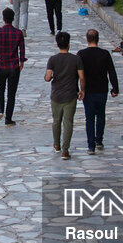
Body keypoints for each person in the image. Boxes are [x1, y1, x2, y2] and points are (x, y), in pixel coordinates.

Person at [76, 29, 119, 154]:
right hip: (102, 89)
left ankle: (91, 146)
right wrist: (115, 88)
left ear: (87, 39)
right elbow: (111, 72)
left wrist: (77, 89)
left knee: (89, 117)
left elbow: (77, 73)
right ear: (98, 39)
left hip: (87, 89)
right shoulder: (104, 54)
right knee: (101, 115)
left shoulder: (81, 54)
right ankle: (99, 140)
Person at [45, 32, 85, 160]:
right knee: (68, 122)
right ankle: (65, 150)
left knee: (56, 121)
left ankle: (56, 144)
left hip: (56, 94)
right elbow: (82, 77)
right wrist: (82, 90)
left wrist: (51, 76)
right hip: (70, 94)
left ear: (57, 44)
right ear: (69, 44)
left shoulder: (53, 59)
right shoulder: (76, 59)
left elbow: (47, 77)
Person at [0, 7, 26, 125]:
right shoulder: (18, 33)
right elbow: (22, 49)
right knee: (11, 93)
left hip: (2, 65)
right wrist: (21, 62)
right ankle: (8, 118)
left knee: (0, 89)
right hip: (14, 66)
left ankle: (0, 110)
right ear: (13, 19)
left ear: (3, 18)